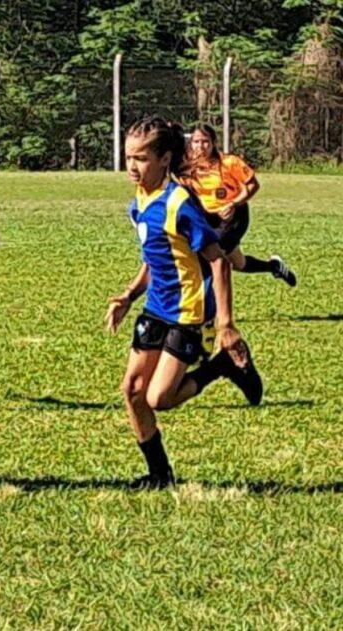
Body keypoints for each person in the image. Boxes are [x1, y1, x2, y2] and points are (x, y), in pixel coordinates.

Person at [106, 115, 263, 490]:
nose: (132, 166)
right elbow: (155, 257)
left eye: (141, 158)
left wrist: (225, 324)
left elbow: (217, 259)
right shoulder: (139, 203)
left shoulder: (180, 203)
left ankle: (222, 366)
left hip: (187, 312)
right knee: (131, 391)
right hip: (156, 308)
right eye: (128, 157)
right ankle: (160, 475)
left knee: (159, 397)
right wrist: (129, 295)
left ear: (164, 159)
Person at [182, 124, 296, 286]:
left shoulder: (229, 162)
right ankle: (274, 267)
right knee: (238, 263)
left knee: (208, 257)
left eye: (205, 141)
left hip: (233, 218)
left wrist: (234, 203)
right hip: (208, 219)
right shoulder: (187, 167)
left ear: (213, 142)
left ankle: (210, 307)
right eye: (196, 142)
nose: (201, 146)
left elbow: (253, 185)